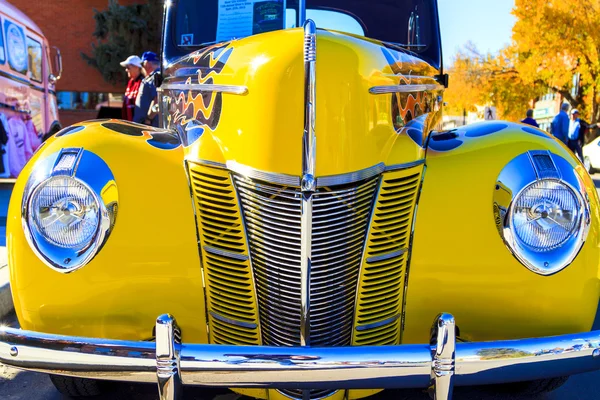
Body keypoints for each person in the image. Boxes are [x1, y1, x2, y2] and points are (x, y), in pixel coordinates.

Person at [134, 51, 162, 127]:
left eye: (142, 64)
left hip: (148, 125)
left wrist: (148, 119)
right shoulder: (154, 76)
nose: (142, 68)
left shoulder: (154, 77)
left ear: (147, 63)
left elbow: (157, 100)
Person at [120, 55, 144, 122]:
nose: (126, 70)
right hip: (129, 123)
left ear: (136, 67)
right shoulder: (131, 83)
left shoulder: (143, 82)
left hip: (138, 124)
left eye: (128, 67)